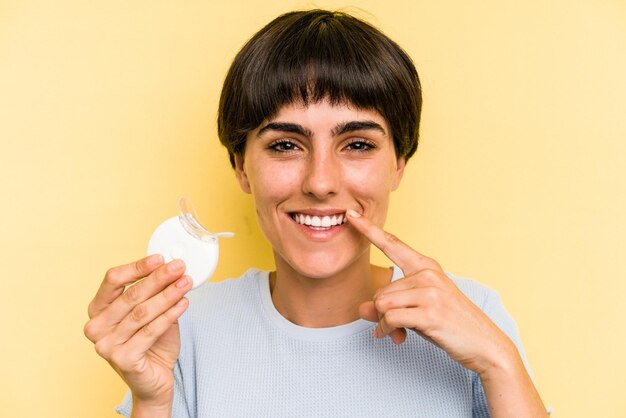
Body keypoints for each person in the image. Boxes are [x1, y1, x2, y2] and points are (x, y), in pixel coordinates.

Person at [84, 9, 548, 417]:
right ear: (241, 166)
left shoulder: (476, 315)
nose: (320, 181)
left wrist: (498, 362)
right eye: (286, 145)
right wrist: (152, 400)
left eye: (358, 145)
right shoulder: (183, 330)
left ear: (399, 165)